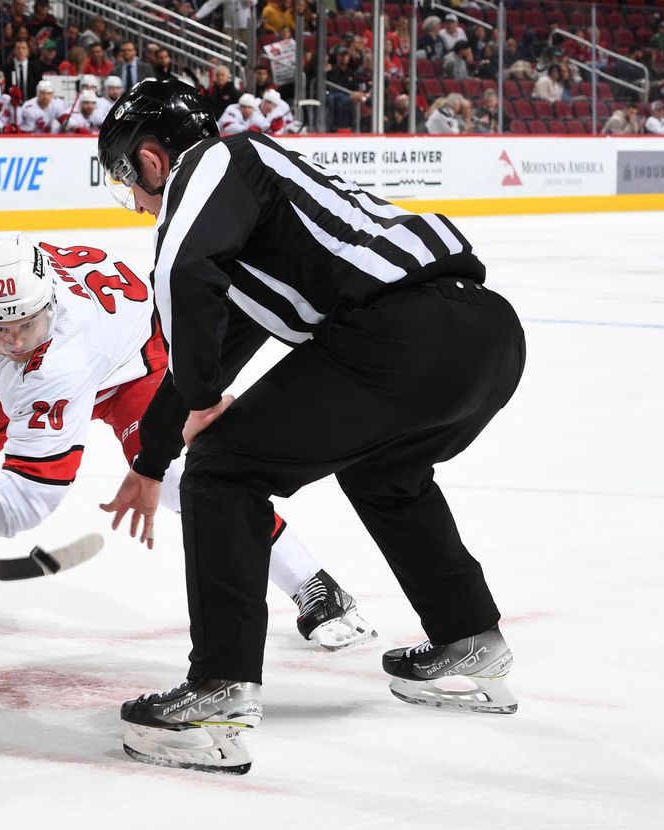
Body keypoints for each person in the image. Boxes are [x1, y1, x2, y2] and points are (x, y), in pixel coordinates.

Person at [96, 79, 525, 773]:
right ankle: (469, 634)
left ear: (150, 160)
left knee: (222, 467)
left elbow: (182, 270)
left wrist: (205, 409)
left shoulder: (212, 162)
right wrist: (150, 459)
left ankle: (220, 689)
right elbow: (211, 344)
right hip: (485, 332)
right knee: (384, 470)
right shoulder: (262, 211)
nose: (141, 206)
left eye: (130, 186)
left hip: (401, 335)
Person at [0, 232, 375, 651]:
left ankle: (313, 583)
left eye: (26, 326)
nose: (15, 341)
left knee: (184, 478)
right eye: (0, 328)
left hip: (131, 370)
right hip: (55, 362)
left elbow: (35, 489)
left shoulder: (64, 355)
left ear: (51, 304)